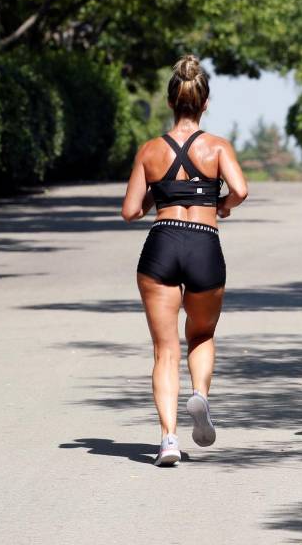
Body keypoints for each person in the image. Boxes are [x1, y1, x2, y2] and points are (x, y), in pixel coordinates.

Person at [121, 55, 248, 466]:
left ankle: (168, 440)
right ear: (204, 103)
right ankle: (200, 395)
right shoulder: (218, 146)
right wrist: (221, 204)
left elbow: (130, 211)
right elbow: (241, 190)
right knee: (202, 334)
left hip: (161, 243)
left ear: (170, 102)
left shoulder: (150, 150)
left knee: (164, 350)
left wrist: (156, 195)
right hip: (204, 244)